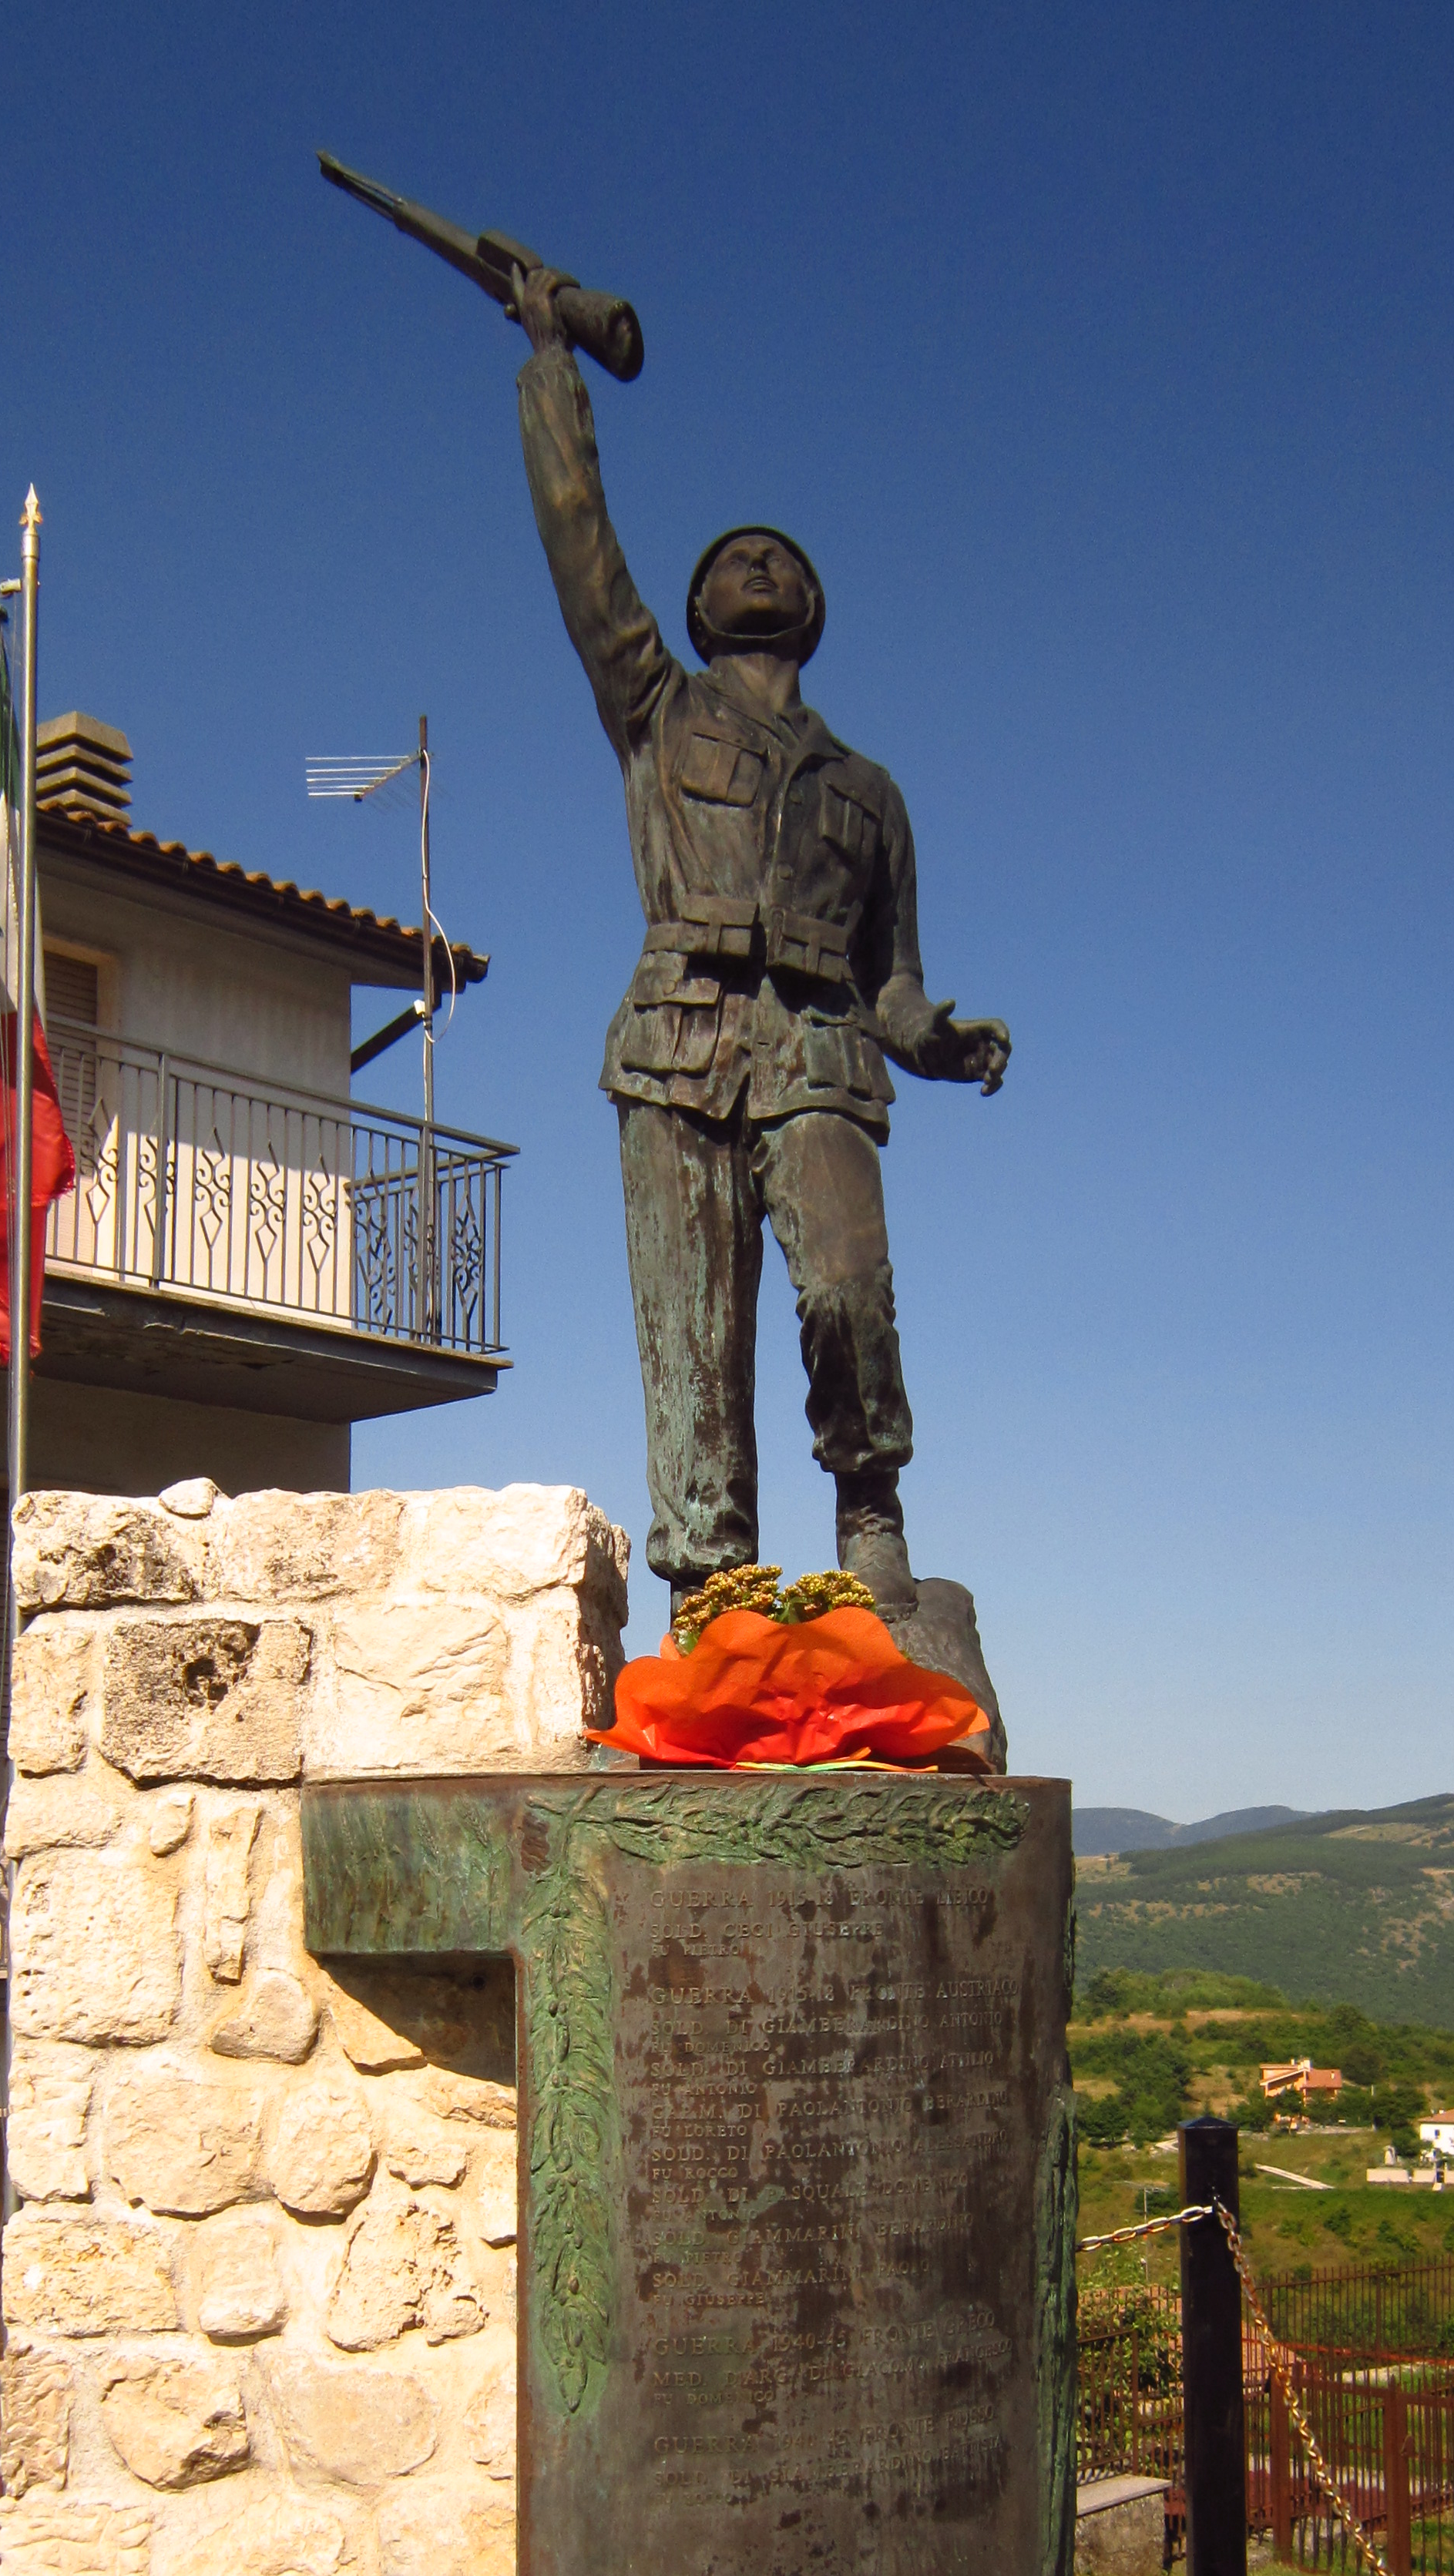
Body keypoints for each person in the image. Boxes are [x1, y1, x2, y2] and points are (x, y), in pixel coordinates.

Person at [514, 267, 1010, 1624]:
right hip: (676, 1042)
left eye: (779, 557)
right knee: (696, 1344)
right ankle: (712, 1587)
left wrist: (940, 1040)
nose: (759, 560)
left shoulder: (869, 792)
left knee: (850, 1293)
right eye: (733, 556)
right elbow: (579, 543)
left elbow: (894, 981)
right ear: (692, 612)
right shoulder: (656, 709)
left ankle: (871, 1505)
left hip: (823, 1054)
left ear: (808, 610)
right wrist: (552, 366)